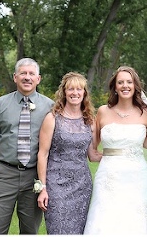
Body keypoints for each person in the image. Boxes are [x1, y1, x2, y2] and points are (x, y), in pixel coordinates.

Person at [0, 58, 54, 234]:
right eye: (23, 73)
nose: (27, 77)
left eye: (31, 74)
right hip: (6, 173)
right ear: (15, 77)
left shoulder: (50, 106)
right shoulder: (1, 104)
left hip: (34, 175)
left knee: (30, 230)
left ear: (38, 79)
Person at [83, 66, 147, 234]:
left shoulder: (146, 113)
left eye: (129, 82)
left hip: (137, 175)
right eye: (120, 82)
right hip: (109, 175)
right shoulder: (103, 111)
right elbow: (91, 146)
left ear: (135, 86)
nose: (125, 86)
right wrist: (100, 156)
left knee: (134, 219)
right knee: (106, 218)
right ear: (114, 87)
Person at [36, 72, 101, 234]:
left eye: (79, 89)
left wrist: (119, 155)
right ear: (64, 92)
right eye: (71, 89)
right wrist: (42, 188)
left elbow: (92, 156)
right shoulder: (52, 119)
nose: (75, 93)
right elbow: (42, 155)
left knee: (80, 231)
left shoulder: (90, 121)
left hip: (82, 186)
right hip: (55, 185)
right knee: (58, 228)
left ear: (84, 93)